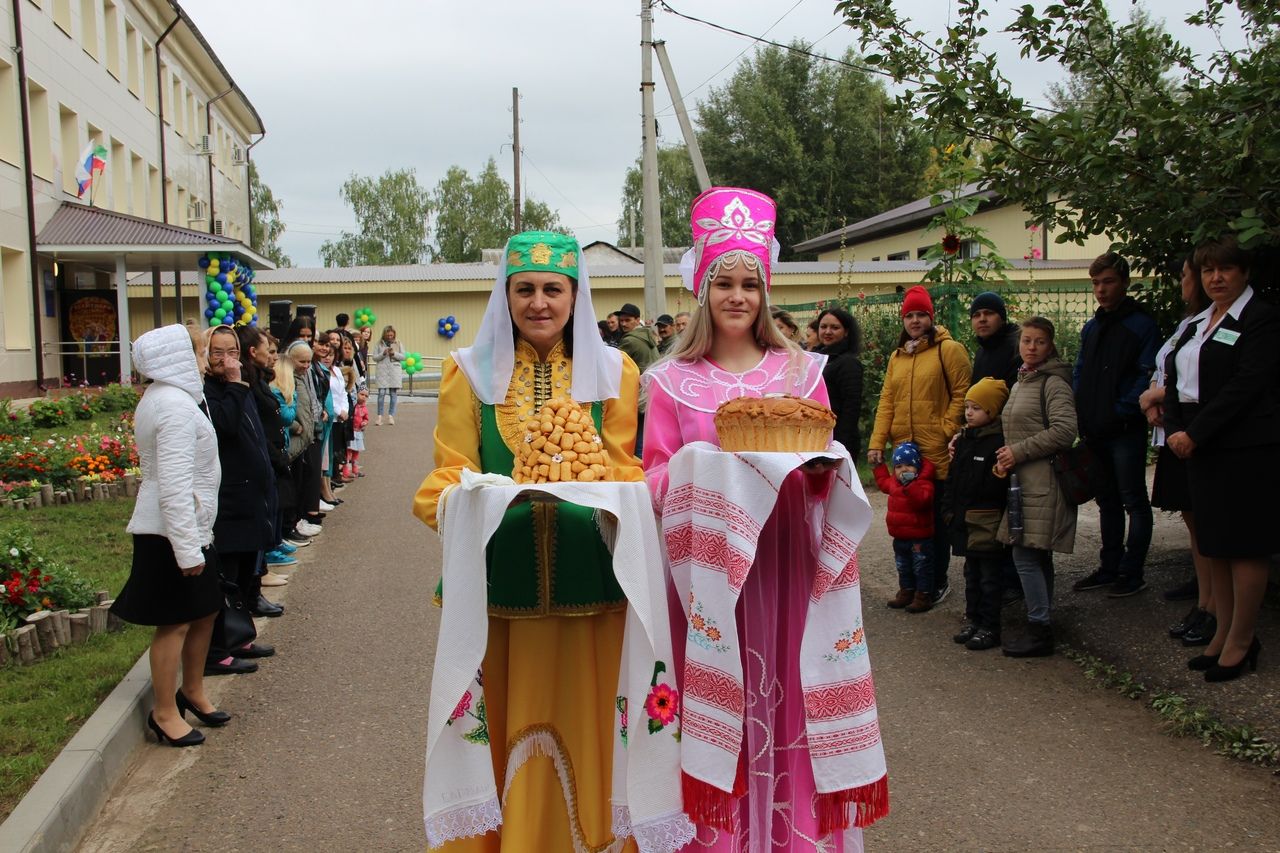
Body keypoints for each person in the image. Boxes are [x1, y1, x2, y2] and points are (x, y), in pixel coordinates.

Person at [644, 186, 887, 849]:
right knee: (722, 713)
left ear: (766, 291)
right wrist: (705, 466)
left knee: (790, 703)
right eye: (724, 281)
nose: (738, 295)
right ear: (702, 287)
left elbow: (823, 462)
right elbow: (654, 479)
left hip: (784, 570)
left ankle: (791, 836)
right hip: (710, 588)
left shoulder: (802, 372)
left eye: (751, 282)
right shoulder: (669, 381)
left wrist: (814, 474)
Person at [414, 231, 647, 850]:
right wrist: (469, 499)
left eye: (553, 288)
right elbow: (447, 472)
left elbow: (624, 469)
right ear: (506, 295)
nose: (539, 302)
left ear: (576, 295)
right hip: (497, 591)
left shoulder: (615, 370)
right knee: (496, 725)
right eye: (525, 289)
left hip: (592, 588)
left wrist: (624, 498)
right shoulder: (466, 372)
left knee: (595, 720)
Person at [1165, 236, 1280, 682]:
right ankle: (1223, 633)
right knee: (1214, 543)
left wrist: (1195, 432)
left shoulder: (1261, 319)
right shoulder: (1200, 322)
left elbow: (1247, 385)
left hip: (1243, 445)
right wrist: (1175, 426)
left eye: (1225, 269)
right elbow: (1174, 375)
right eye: (1208, 270)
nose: (1216, 277)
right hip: (1197, 442)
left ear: (1244, 273)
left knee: (1244, 544)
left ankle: (1242, 640)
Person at [111, 324, 225, 746]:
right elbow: (174, 484)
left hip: (190, 528)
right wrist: (186, 549)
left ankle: (192, 690)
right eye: (199, 350)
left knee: (205, 610)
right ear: (176, 357)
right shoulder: (173, 405)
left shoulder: (172, 399)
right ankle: (163, 711)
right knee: (175, 622)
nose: (205, 357)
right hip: (170, 532)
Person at [868, 284, 971, 604]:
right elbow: (887, 401)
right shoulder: (898, 358)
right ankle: (910, 585)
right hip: (906, 452)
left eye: (920, 314)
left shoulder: (948, 350)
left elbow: (963, 391)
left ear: (931, 316)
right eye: (909, 315)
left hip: (936, 449)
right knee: (908, 522)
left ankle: (936, 583)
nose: (914, 321)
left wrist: (946, 428)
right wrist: (877, 442)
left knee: (935, 523)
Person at [1071, 252, 1160, 598]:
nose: (1101, 289)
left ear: (1123, 282)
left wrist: (1122, 410)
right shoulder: (1092, 327)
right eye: (1095, 283)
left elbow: (1147, 374)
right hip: (1094, 430)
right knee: (1106, 501)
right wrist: (1081, 407)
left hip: (1124, 431)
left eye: (1108, 281)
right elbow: (1080, 371)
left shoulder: (1141, 326)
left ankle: (1132, 572)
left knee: (1133, 501)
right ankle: (1109, 567)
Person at [1140, 256, 1215, 644]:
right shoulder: (1188, 324)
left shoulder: (1212, 325)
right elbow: (1168, 371)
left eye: (1186, 276)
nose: (1185, 282)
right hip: (1173, 430)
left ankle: (1212, 608)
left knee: (1207, 525)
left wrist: (1156, 395)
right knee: (1193, 522)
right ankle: (1204, 602)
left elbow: (1201, 381)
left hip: (1193, 432)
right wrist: (1155, 400)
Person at [995, 318, 1078, 658]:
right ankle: (1040, 622)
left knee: (1026, 555)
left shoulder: (1053, 383)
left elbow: (1065, 431)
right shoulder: (1021, 381)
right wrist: (1005, 458)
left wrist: (1018, 451)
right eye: (1026, 340)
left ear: (1050, 346)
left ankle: (1040, 627)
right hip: (1024, 482)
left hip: (1043, 482)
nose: (1031, 347)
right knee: (1035, 555)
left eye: (1039, 342)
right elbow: (1014, 433)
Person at [202, 324, 279, 682]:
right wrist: (233, 383)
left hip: (251, 493)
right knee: (227, 577)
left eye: (232, 351)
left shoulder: (240, 385)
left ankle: (241, 637)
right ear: (205, 354)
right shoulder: (210, 391)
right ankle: (220, 648)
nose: (226, 359)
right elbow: (225, 426)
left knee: (247, 570)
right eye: (218, 352)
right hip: (227, 497)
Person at [944, 378, 1010, 651]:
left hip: (986, 520)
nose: (969, 412)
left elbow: (996, 485)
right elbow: (952, 478)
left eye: (977, 408)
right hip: (964, 519)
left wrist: (998, 474)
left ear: (992, 412)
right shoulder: (963, 440)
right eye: (968, 407)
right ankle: (973, 619)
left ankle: (990, 626)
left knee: (990, 577)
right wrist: (947, 508)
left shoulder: (998, 443)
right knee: (971, 574)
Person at [874, 442, 937, 613]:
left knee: (921, 567)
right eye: (899, 466)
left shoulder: (924, 483)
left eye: (909, 465)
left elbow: (922, 501)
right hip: (899, 536)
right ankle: (906, 592)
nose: (904, 469)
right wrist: (878, 466)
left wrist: (911, 486)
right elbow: (882, 483)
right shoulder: (894, 483)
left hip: (919, 538)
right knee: (903, 566)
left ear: (917, 466)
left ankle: (923, 596)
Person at [814, 306, 864, 459]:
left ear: (846, 332)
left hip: (839, 441)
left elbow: (851, 408)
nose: (827, 332)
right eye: (823, 327)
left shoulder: (848, 363)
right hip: (817, 437)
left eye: (834, 327)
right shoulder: (817, 358)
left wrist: (839, 445)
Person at [969, 292, 1021, 387]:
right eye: (976, 315)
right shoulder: (981, 351)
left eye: (989, 313)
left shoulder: (1017, 347)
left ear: (1002, 318)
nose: (982, 319)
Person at [373, 324, 405, 425]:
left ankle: (391, 416)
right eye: (388, 335)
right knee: (381, 394)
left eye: (391, 335)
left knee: (393, 394)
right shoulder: (379, 344)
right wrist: (383, 354)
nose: (390, 337)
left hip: (394, 371)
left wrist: (394, 354)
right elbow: (374, 357)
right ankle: (379, 416)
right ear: (384, 334)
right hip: (382, 371)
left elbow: (404, 356)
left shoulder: (398, 343)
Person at [345, 387, 369, 479]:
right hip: (351, 431)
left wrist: (365, 423)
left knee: (356, 451)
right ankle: (346, 470)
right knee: (348, 451)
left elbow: (366, 418)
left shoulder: (364, 408)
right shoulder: (353, 406)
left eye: (366, 396)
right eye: (362, 394)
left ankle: (355, 469)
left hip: (359, 432)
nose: (363, 397)